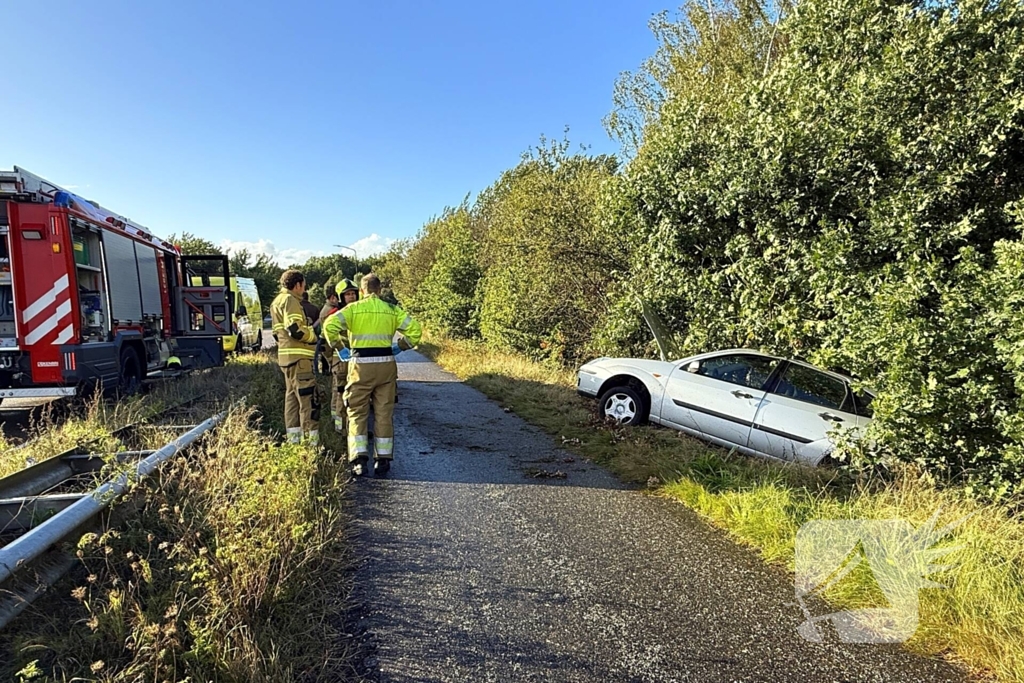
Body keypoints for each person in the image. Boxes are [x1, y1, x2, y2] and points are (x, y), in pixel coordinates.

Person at [323, 273, 421, 477]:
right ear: (380, 289)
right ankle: (383, 460)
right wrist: (400, 346)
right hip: (386, 365)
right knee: (384, 413)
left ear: (362, 291)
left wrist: (340, 348)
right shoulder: (391, 310)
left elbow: (329, 326)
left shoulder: (353, 309)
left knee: (357, 412)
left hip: (360, 367)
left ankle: (359, 461)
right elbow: (415, 331)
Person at [270, 270, 320, 445]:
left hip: (286, 359)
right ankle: (310, 446)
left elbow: (278, 334)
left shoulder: (277, 301)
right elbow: (295, 329)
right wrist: (313, 336)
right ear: (298, 285)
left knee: (291, 401)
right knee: (308, 402)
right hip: (300, 360)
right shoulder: (291, 300)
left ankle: (294, 442)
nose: (304, 289)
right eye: (304, 285)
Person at [320, 279, 359, 433]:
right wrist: (332, 361)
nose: (351, 297)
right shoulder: (335, 314)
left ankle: (348, 427)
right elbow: (325, 343)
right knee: (340, 395)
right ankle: (340, 429)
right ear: (340, 297)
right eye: (347, 294)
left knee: (353, 396)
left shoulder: (358, 311)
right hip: (341, 361)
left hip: (356, 360)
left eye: (353, 293)